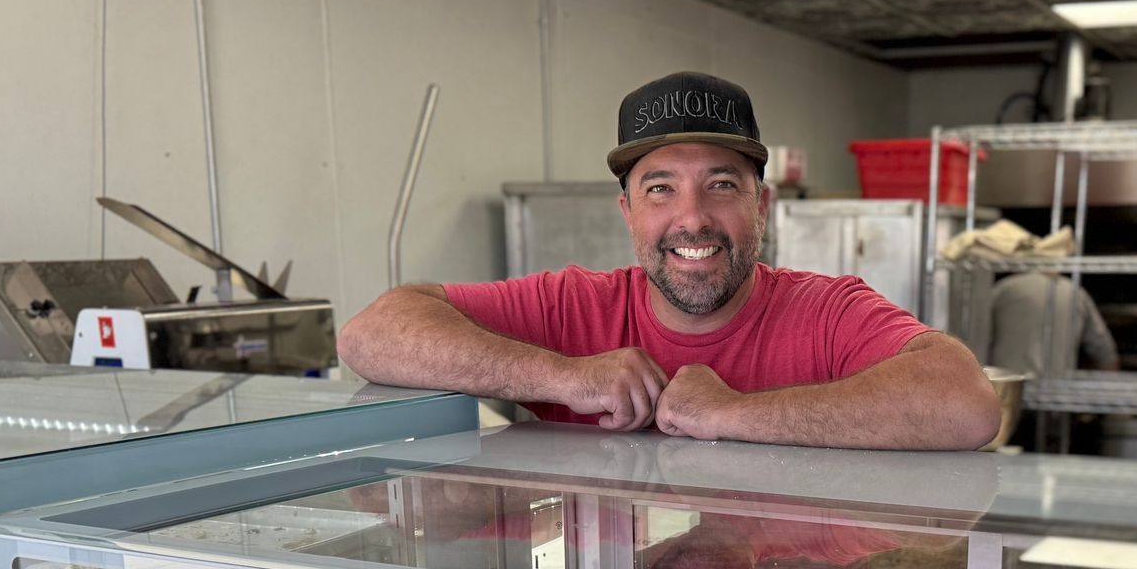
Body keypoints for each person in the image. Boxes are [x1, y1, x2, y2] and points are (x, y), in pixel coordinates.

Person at [337, 70, 1000, 452]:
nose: (692, 218)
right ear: (627, 212)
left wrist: (731, 415)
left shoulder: (826, 312)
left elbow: (966, 402)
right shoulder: (572, 307)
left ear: (761, 206)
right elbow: (371, 333)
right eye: (660, 189)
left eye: (721, 184)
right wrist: (564, 377)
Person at [985, 270, 1117, 377]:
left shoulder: (1004, 288)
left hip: (1006, 389)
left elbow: (977, 337)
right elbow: (1105, 354)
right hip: (1057, 393)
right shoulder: (1076, 293)